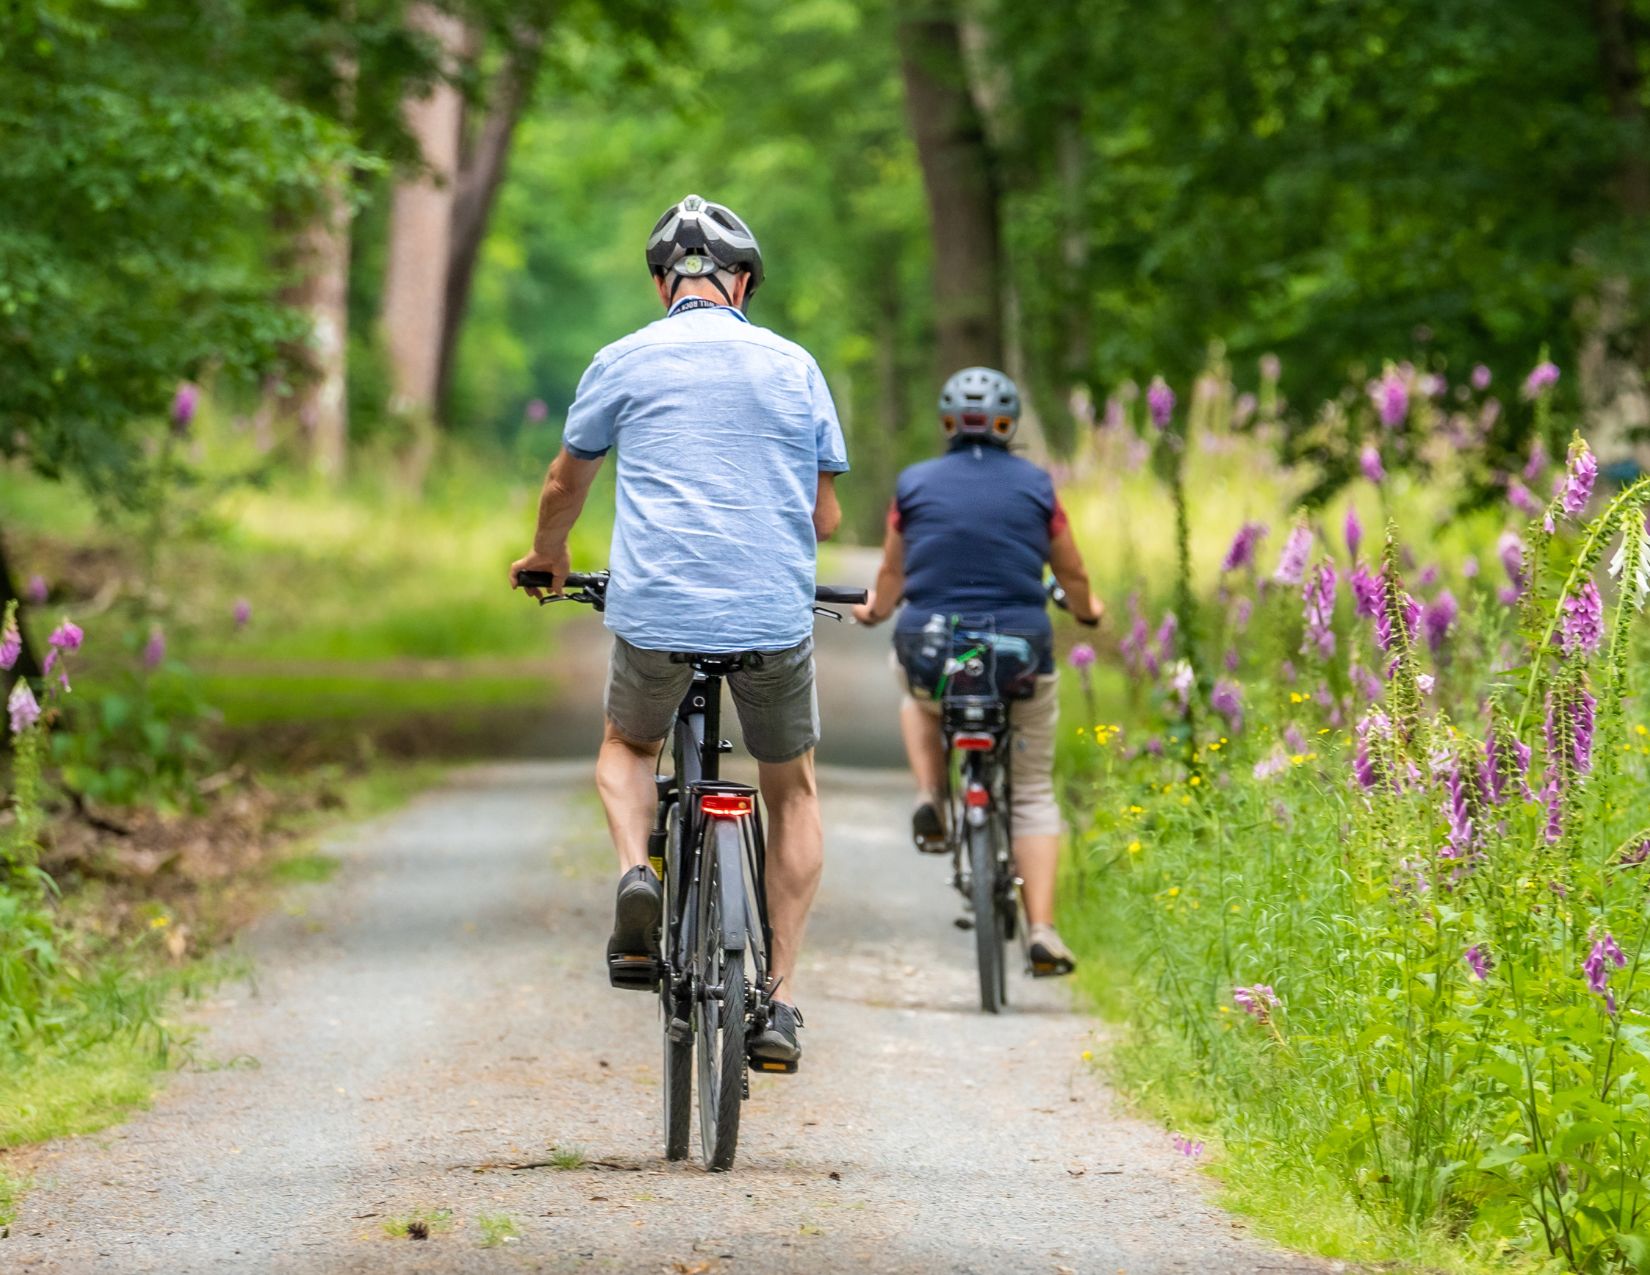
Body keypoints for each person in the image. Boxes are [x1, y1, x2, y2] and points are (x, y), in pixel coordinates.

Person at [510, 194, 848, 1067]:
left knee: (628, 745)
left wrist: (550, 556)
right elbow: (827, 512)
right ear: (742, 283)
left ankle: (637, 874)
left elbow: (563, 482)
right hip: (772, 614)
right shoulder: (794, 365)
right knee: (794, 788)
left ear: (665, 283)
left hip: (656, 609)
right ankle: (777, 1000)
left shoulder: (623, 358)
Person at [853, 367, 1100, 976]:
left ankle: (931, 794)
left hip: (933, 650)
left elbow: (892, 575)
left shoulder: (913, 484)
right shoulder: (1039, 486)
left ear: (946, 423)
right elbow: (1072, 575)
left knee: (915, 692)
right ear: (1008, 423)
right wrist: (1090, 612)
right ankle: (1041, 929)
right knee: (1035, 791)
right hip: (1019, 654)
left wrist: (877, 611)